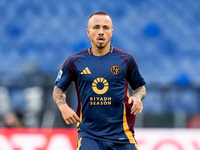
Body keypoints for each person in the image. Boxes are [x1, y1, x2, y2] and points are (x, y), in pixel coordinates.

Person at [53, 11, 146, 150]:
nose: (101, 32)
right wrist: (63, 107)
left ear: (112, 32)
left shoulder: (126, 60)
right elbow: (58, 89)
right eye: (96, 27)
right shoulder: (75, 61)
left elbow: (140, 88)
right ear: (88, 32)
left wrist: (137, 97)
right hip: (89, 136)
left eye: (105, 28)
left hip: (123, 135)